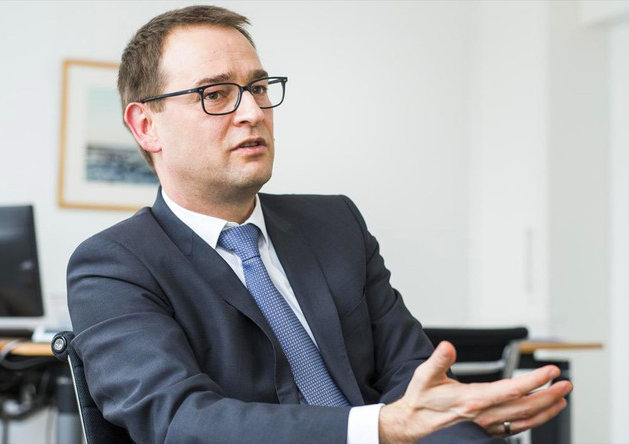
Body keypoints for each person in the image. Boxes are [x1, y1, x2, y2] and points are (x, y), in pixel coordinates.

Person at [67, 5, 572, 444]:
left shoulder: (335, 223)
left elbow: (416, 385)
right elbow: (181, 422)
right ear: (146, 126)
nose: (252, 112)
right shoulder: (112, 267)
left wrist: (461, 424)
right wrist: (380, 429)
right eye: (215, 94)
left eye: (258, 87)